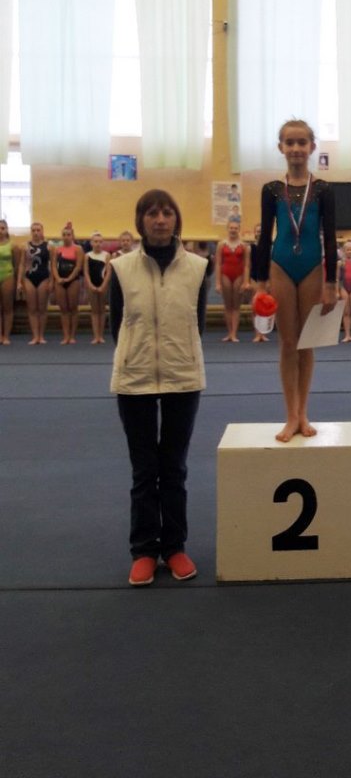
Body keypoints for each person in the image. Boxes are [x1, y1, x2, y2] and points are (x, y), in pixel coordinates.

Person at [110, 189, 208, 587]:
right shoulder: (120, 268)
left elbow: (197, 323)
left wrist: (176, 354)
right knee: (144, 470)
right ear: (141, 221)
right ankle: (144, 550)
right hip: (134, 379)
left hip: (183, 376)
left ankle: (175, 547)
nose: (160, 219)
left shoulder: (199, 268)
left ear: (176, 219)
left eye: (167, 212)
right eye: (152, 213)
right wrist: (138, 356)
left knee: (174, 468)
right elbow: (118, 324)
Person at [253, 120, 337, 441]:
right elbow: (264, 237)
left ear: (312, 147)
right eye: (290, 143)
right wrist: (260, 282)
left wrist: (331, 284)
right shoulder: (272, 190)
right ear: (281, 147)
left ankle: (304, 412)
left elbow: (330, 237)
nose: (296, 148)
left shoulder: (323, 190)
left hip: (313, 266)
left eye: (302, 142)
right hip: (281, 265)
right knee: (288, 343)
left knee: (307, 342)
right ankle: (290, 415)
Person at [215, 220, 250, 342]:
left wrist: (246, 281)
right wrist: (217, 282)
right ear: (227, 229)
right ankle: (229, 332)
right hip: (225, 274)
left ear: (239, 230)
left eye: (235, 228)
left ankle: (234, 333)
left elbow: (246, 265)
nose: (233, 230)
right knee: (227, 305)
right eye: (231, 228)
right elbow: (218, 264)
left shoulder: (244, 246)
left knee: (236, 305)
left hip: (239, 276)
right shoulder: (221, 245)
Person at [18, 222, 52, 345]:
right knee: (32, 309)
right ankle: (35, 336)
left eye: (38, 230)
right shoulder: (25, 246)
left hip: (43, 277)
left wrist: (52, 281)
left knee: (42, 309)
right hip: (29, 278)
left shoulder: (48, 246)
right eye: (33, 230)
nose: (36, 232)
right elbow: (22, 264)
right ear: (31, 232)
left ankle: (41, 336)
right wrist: (19, 282)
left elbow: (52, 265)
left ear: (42, 231)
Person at [51, 223, 85, 345]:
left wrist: (69, 278)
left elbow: (78, 266)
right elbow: (53, 266)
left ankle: (72, 335)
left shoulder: (78, 249)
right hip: (60, 281)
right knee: (64, 309)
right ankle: (66, 335)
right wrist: (58, 278)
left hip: (73, 280)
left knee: (73, 308)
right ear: (62, 236)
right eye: (64, 235)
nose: (66, 237)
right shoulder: (57, 250)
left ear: (72, 236)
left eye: (68, 235)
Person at [85, 232, 112, 344]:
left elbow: (108, 272)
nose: (98, 244)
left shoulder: (106, 255)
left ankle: (101, 335)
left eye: (100, 242)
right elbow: (86, 272)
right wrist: (90, 285)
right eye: (95, 241)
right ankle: (95, 336)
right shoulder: (87, 256)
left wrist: (104, 285)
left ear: (103, 243)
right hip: (92, 285)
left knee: (102, 310)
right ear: (91, 243)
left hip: (103, 284)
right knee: (95, 311)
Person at [0, 220, 20, 345]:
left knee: (7, 308)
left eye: (3, 228)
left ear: (7, 230)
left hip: (7, 276)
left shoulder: (13, 246)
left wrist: (17, 282)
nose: (0, 231)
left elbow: (17, 265)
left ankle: (6, 336)